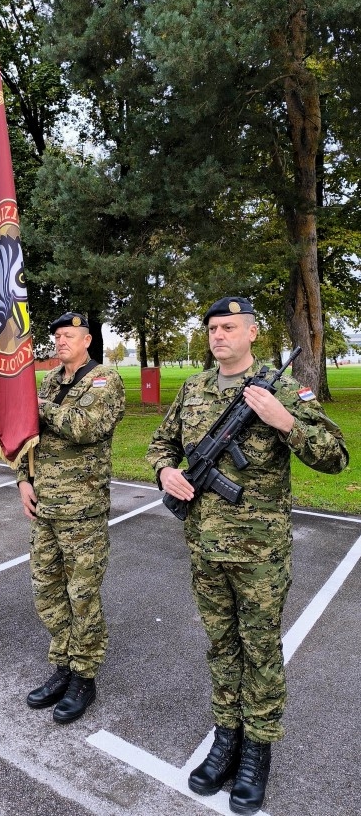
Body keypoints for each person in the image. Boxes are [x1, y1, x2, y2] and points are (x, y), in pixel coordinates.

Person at [146, 297, 348, 815]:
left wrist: (285, 422)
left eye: (229, 327)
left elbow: (336, 456)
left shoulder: (280, 387)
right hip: (203, 547)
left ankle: (258, 749)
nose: (218, 336)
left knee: (259, 649)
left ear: (252, 333)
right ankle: (226, 737)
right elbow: (161, 444)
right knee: (220, 645)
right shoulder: (193, 389)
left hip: (260, 555)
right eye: (212, 327)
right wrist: (166, 473)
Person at [17, 312, 125, 724]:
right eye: (57, 335)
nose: (60, 341)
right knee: (47, 590)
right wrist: (23, 479)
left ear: (87, 340)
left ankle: (84, 674)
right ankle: (62, 663)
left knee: (82, 595)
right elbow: (28, 436)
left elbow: (85, 427)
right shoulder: (49, 381)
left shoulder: (105, 380)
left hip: (82, 508)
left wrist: (38, 406)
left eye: (68, 336)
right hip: (44, 503)